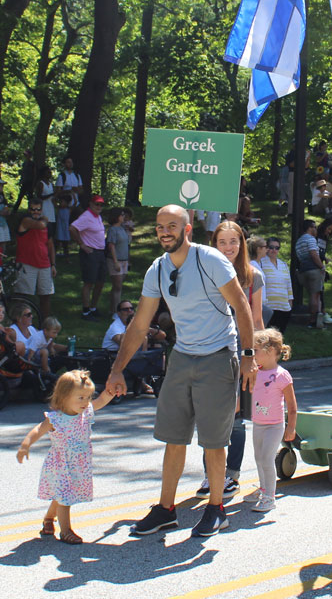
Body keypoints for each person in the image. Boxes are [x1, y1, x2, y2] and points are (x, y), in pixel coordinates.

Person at [105, 204, 257, 538]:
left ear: (186, 230)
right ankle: (166, 509)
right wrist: (117, 369)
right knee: (172, 437)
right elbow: (140, 323)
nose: (165, 232)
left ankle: (217, 510)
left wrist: (248, 355)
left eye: (172, 226)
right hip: (183, 356)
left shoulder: (210, 260)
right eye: (160, 227)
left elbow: (241, 307)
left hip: (219, 355)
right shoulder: (157, 270)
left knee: (214, 441)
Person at [195, 220, 264, 500]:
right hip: (210, 348)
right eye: (222, 242)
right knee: (211, 417)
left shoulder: (252, 275)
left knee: (235, 417)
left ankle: (230, 476)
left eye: (233, 242)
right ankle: (210, 475)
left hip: (242, 351)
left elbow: (257, 318)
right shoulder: (204, 271)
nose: (228, 248)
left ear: (242, 244)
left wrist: (258, 355)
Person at [16, 369, 113, 544]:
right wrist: (25, 445)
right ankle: (66, 530)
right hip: (61, 464)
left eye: (88, 397)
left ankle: (48, 520)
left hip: (79, 463)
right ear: (64, 397)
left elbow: (101, 401)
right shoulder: (56, 419)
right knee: (65, 496)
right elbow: (38, 430)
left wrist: (110, 392)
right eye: (80, 398)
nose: (86, 402)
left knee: (62, 495)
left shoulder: (85, 412)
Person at [243, 327, 297, 513]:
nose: (253, 355)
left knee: (267, 459)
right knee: (259, 458)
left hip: (274, 426)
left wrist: (291, 428)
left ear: (271, 351)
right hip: (258, 423)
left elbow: (292, 406)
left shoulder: (282, 376)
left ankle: (270, 498)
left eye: (256, 350)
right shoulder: (255, 371)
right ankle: (263, 489)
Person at [102, 300, 162, 395]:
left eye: (131, 308)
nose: (129, 311)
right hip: (114, 356)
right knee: (143, 342)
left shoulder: (135, 322)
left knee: (157, 347)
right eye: (125, 309)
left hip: (130, 354)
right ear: (119, 313)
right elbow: (123, 343)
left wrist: (149, 330)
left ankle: (153, 380)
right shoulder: (115, 327)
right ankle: (141, 381)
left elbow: (162, 336)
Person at [14, 198, 56, 319]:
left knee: (46, 295)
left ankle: (44, 325)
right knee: (23, 296)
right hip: (26, 264)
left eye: (38, 210)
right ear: (29, 209)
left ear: (41, 210)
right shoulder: (26, 221)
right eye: (33, 209)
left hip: (44, 264)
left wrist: (53, 264)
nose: (35, 212)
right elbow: (40, 225)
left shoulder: (47, 226)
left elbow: (50, 245)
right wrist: (45, 219)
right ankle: (20, 323)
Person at [69, 194, 107, 320]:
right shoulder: (86, 216)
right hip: (90, 253)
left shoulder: (98, 217)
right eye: (97, 204)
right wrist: (82, 245)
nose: (99, 206)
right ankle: (86, 311)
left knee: (100, 282)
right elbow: (72, 228)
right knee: (89, 282)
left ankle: (93, 307)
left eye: (101, 204)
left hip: (100, 252)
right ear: (90, 204)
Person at [295, 220, 325, 328]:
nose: (316, 230)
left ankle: (313, 319)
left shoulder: (299, 241)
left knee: (311, 295)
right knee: (315, 295)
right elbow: (313, 254)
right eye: (315, 227)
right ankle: (313, 321)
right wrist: (322, 266)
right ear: (310, 227)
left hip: (303, 271)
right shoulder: (311, 239)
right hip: (313, 270)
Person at [259, 237, 293, 334]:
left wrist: (290, 303)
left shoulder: (284, 265)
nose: (274, 250)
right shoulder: (260, 263)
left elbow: (288, 285)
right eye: (271, 247)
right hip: (268, 307)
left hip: (284, 307)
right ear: (266, 248)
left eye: (277, 248)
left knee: (279, 337)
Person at [105, 207, 130, 313]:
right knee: (118, 286)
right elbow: (111, 246)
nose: (124, 217)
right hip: (116, 260)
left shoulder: (122, 228)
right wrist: (115, 262)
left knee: (118, 287)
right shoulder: (112, 230)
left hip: (124, 260)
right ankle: (117, 312)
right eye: (122, 215)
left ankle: (113, 309)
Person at [247, 235, 273, 325]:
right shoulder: (253, 265)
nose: (268, 249)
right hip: (256, 305)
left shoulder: (256, 264)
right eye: (266, 247)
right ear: (258, 249)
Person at [316, 218, 332, 325]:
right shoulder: (317, 236)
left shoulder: (325, 238)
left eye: (331, 230)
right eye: (328, 229)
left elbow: (321, 251)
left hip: (321, 264)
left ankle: (322, 312)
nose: (329, 232)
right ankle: (321, 313)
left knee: (321, 290)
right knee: (319, 290)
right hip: (316, 265)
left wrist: (324, 258)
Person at [36, 165, 56, 238]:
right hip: (44, 209)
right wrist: (51, 194)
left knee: (51, 229)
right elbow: (39, 197)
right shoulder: (41, 183)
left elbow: (53, 198)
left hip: (51, 209)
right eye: (48, 172)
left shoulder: (51, 184)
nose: (50, 173)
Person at [55, 192, 72, 260]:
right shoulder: (59, 209)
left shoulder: (69, 210)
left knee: (66, 246)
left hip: (65, 229)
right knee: (57, 244)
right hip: (59, 228)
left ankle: (67, 258)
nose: (61, 203)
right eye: (61, 202)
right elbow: (53, 201)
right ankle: (53, 257)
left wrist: (72, 194)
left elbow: (75, 203)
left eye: (63, 202)